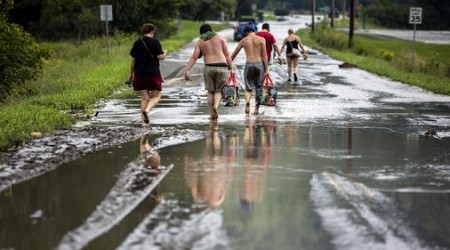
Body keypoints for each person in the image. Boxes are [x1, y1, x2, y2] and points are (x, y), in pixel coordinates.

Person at [184, 24, 234, 121]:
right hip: (222, 67)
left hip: (209, 67)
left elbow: (194, 57)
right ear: (211, 30)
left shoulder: (200, 41)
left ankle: (211, 112)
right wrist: (231, 68)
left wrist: (187, 69)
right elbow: (227, 55)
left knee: (210, 91)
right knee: (219, 91)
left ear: (201, 33)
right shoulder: (220, 38)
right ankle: (216, 106)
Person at [129, 23, 168, 126]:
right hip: (152, 74)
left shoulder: (137, 43)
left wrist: (131, 75)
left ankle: (143, 122)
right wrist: (165, 53)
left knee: (145, 97)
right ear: (152, 31)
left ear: (143, 31)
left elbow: (133, 61)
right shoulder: (155, 42)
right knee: (156, 96)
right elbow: (160, 56)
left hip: (139, 74)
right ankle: (147, 110)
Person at [231, 22, 269, 115]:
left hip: (249, 64)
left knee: (248, 88)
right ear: (254, 29)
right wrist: (267, 69)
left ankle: (248, 102)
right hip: (259, 64)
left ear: (245, 31)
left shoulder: (244, 40)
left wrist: (229, 63)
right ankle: (256, 109)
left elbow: (234, 53)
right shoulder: (261, 39)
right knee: (259, 88)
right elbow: (264, 55)